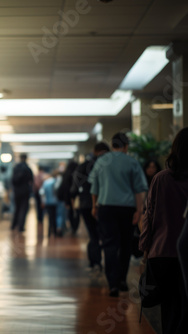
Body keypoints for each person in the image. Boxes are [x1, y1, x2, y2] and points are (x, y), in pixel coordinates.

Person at [140, 127, 188, 333]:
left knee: (168, 307)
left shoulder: (161, 179)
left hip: (162, 252)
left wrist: (145, 247)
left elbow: (149, 216)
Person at [88, 132, 148, 297]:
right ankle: (122, 279)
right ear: (126, 146)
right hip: (126, 209)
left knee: (109, 244)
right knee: (125, 244)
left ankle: (112, 284)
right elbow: (138, 189)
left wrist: (94, 206)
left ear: (112, 145)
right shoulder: (131, 162)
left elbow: (94, 187)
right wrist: (138, 210)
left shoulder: (101, 161)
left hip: (106, 207)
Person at [70, 142, 110, 272]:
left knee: (93, 234)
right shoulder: (107, 165)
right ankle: (109, 264)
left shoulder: (83, 166)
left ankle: (94, 262)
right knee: (106, 234)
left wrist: (74, 200)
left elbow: (75, 187)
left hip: (86, 204)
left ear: (94, 150)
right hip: (104, 203)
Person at [11, 153, 34, 232]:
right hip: (25, 191)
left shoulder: (16, 168)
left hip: (17, 191)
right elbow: (31, 181)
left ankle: (14, 225)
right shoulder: (28, 168)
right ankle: (21, 226)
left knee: (17, 208)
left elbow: (13, 180)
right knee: (24, 209)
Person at [39, 169, 60, 237]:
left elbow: (41, 192)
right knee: (55, 217)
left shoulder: (45, 183)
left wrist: (43, 201)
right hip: (55, 202)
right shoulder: (54, 182)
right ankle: (54, 232)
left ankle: (49, 232)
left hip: (47, 202)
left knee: (49, 217)